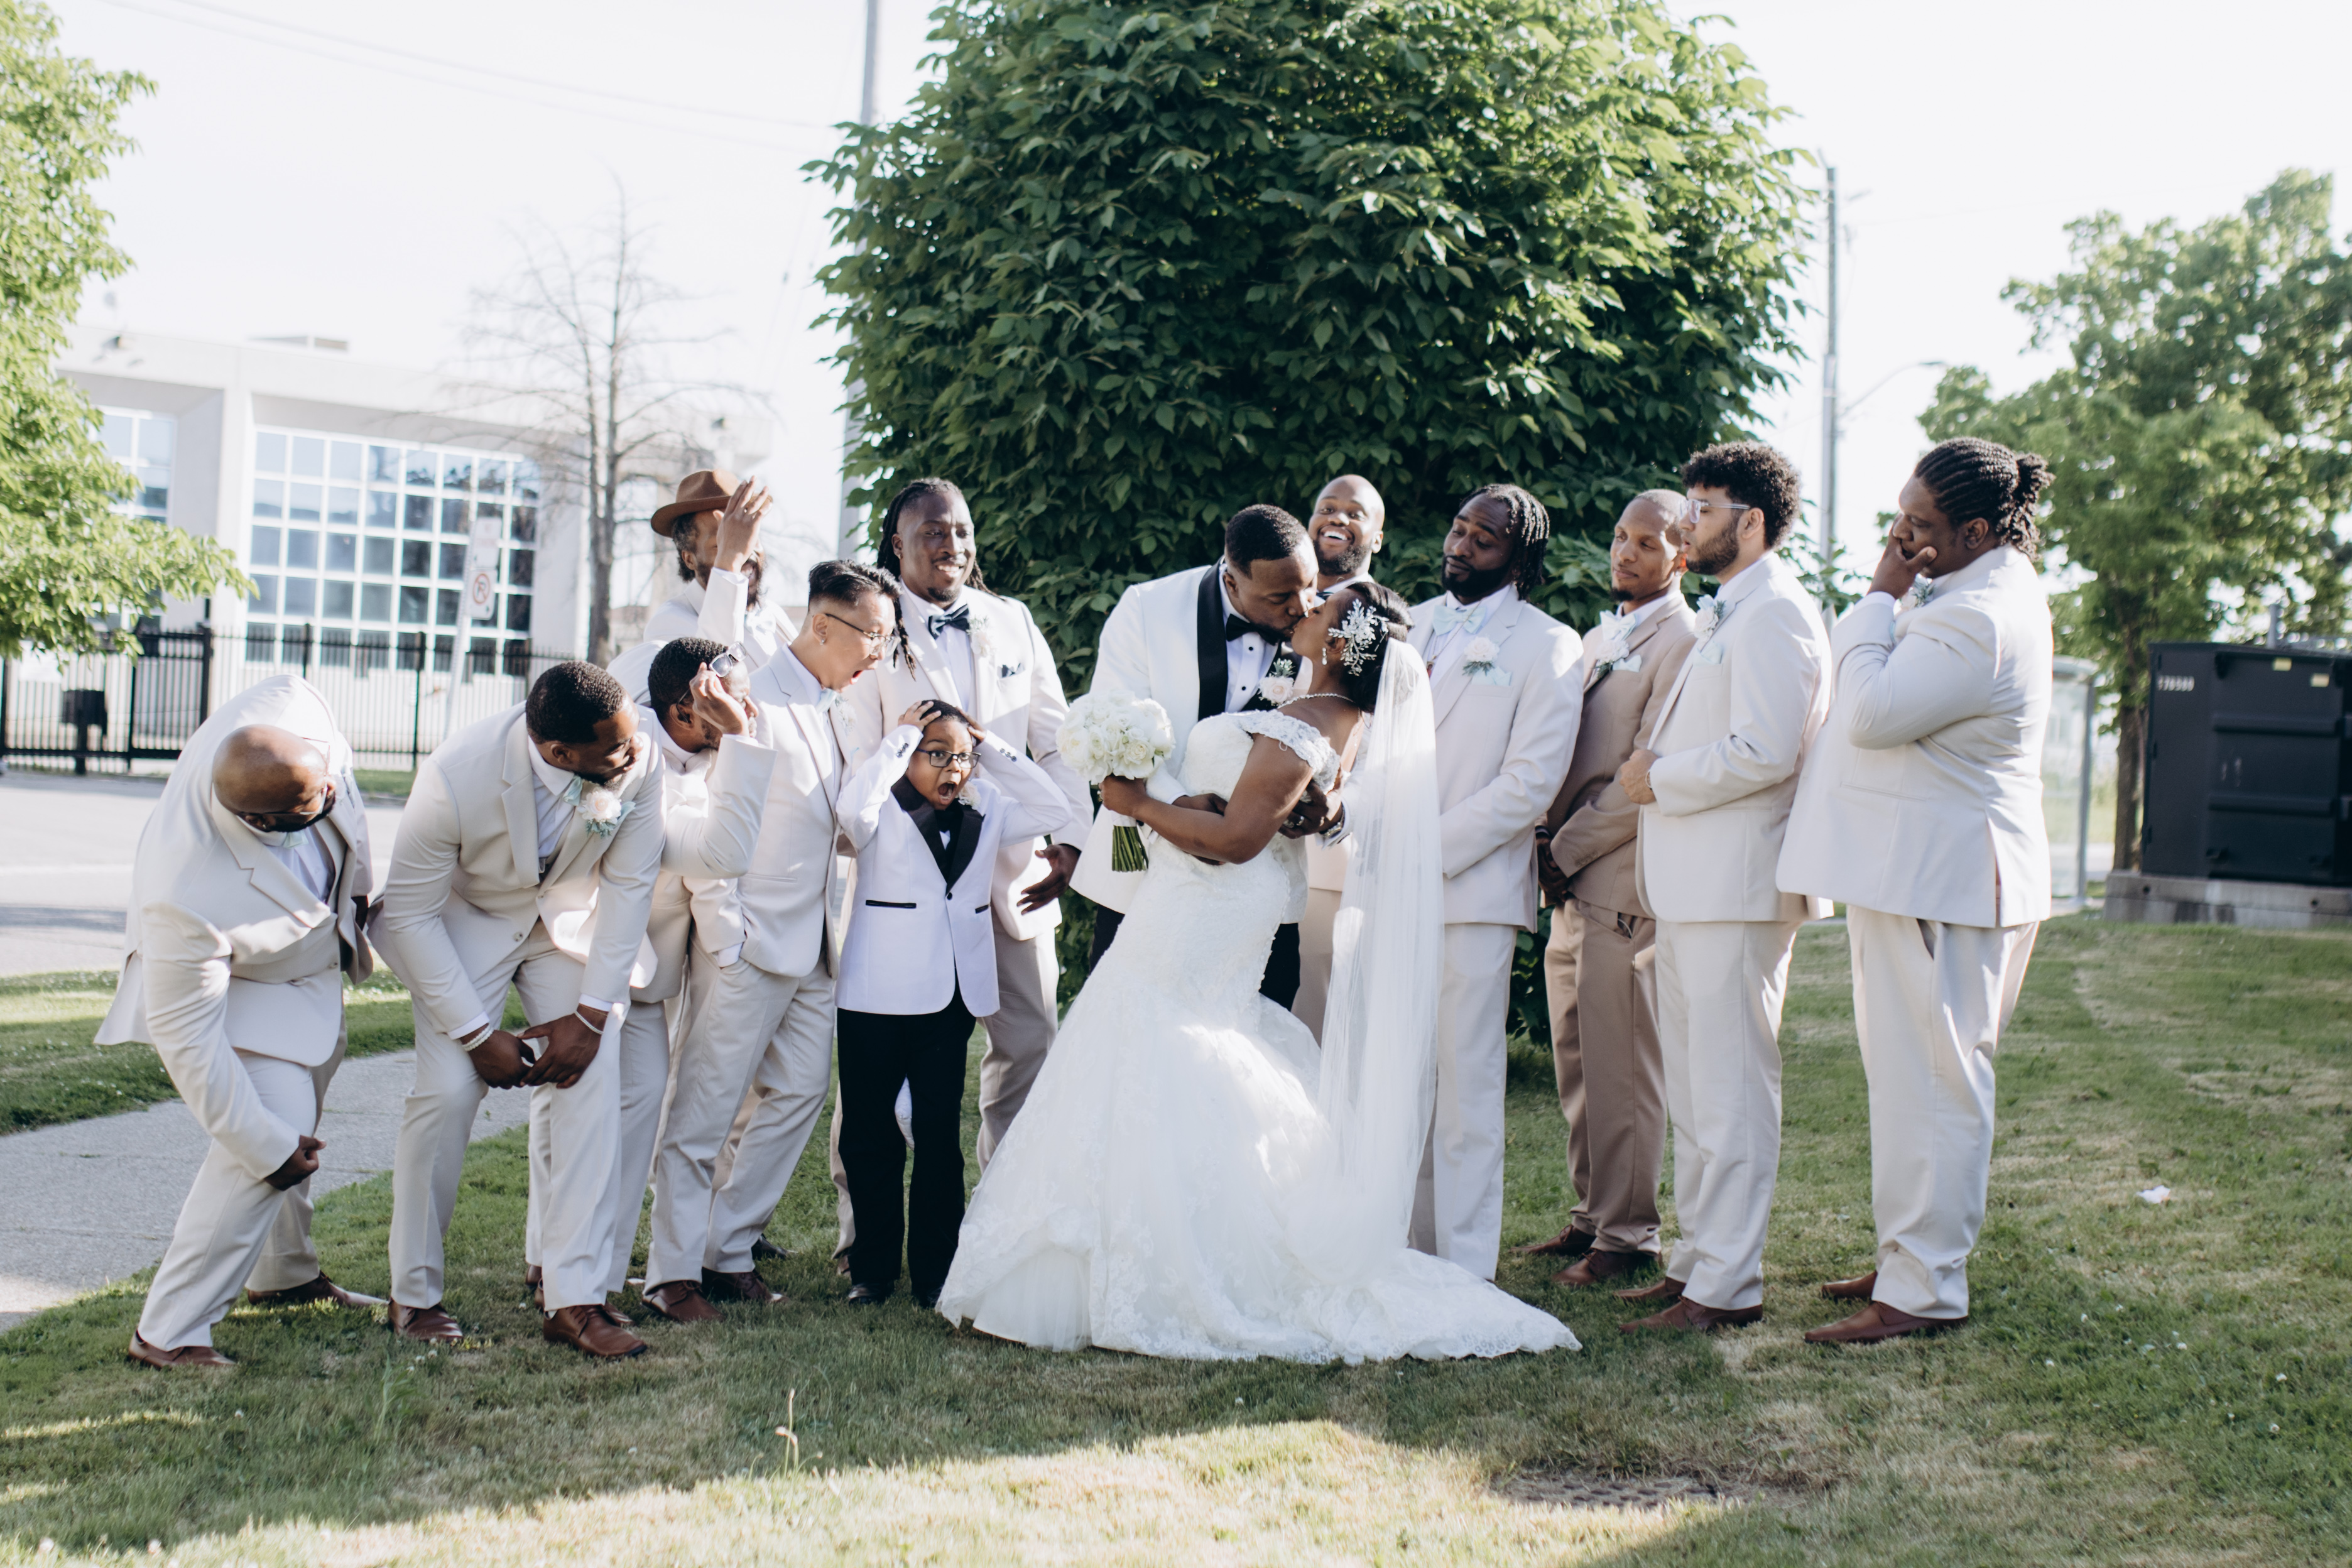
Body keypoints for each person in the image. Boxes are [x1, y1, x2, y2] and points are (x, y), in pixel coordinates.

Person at [937, 582, 1577, 1361]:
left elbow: (1238, 840)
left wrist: (1136, 805)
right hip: (1206, 892)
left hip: (1212, 899)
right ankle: (1137, 1247)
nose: (1307, 605)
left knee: (1158, 1031)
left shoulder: (1309, 722)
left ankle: (1171, 1261)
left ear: (1339, 643)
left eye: (1324, 606)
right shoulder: (1327, 712)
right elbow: (1257, 813)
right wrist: (1194, 802)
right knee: (1163, 1037)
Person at [1779, 438, 2055, 1346]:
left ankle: (1926, 1287)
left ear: (1976, 530)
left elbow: (1869, 712)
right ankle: (1907, 1256)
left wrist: (1877, 598)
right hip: (1925, 874)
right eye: (1900, 516)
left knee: (1936, 1087)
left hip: (1947, 880)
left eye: (1922, 524)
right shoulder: (1975, 590)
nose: (1903, 537)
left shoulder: (1979, 615)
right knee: (1908, 1083)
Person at [379, 662, 665, 1357]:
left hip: (564, 926)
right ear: (559, 753)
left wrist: (592, 1017)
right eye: (615, 749)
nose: (633, 753)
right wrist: (479, 1037)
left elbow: (629, 888)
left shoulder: (638, 758)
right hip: (465, 926)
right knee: (448, 1093)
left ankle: (574, 1299)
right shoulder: (456, 777)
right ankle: (413, 1295)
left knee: (593, 1080)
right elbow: (408, 914)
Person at [100, 675, 383, 1368]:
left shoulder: (295, 709)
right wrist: (265, 1145)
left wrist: (355, 896)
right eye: (311, 805)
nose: (332, 798)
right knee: (271, 1138)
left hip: (307, 967)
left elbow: (335, 793)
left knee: (301, 1113)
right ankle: (168, 1333)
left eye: (326, 787)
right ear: (261, 821)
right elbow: (190, 1045)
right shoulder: (185, 891)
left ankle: (284, 1275)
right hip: (239, 985)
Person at [640, 560, 896, 1324]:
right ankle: (671, 1275)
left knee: (799, 1096)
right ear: (823, 625)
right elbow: (703, 810)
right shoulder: (749, 691)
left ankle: (727, 1248)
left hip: (814, 940)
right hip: (745, 940)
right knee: (703, 1112)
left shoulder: (837, 706)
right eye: (874, 635)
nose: (880, 652)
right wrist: (725, 930)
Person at [1613, 443, 1831, 1335]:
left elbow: (1766, 752)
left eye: (1703, 510)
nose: (1687, 523)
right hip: (1693, 888)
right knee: (1699, 1094)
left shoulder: (1777, 613)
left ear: (1752, 523)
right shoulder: (1733, 611)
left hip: (1737, 889)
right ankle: (1697, 1262)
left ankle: (1730, 1285)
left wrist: (1658, 775)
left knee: (1732, 1091)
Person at [522, 638, 777, 1308]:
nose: (747, 711)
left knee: (632, 1112)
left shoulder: (713, 752)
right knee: (570, 1107)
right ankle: (553, 1262)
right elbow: (714, 852)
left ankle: (592, 1278)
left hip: (649, 965)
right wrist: (740, 737)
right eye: (732, 702)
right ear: (687, 709)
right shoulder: (631, 759)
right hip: (579, 951)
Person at [854, 477, 1092, 1165]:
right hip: (907, 880)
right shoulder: (873, 626)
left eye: (960, 530)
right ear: (897, 544)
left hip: (1016, 875)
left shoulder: (1010, 620)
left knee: (1031, 1043)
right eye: (931, 531)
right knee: (881, 1063)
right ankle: (860, 1219)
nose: (950, 544)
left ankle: (1003, 1207)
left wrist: (1070, 838)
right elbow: (862, 755)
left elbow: (1056, 740)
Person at [835, 700, 1074, 1307]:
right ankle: (872, 1270)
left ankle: (936, 1271)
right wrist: (899, 740)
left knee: (939, 1134)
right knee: (869, 1133)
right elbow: (849, 812)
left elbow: (1055, 808)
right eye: (937, 755)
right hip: (877, 993)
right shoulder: (879, 804)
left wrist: (990, 747)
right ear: (909, 754)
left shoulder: (987, 804)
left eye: (962, 758)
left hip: (952, 994)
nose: (953, 769)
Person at [1402, 484, 1583, 1282]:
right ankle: (1401, 1252)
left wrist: (1424, 851)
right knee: (1397, 1083)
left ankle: (1465, 1268)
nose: (1461, 545)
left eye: (1484, 538)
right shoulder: (1404, 624)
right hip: (1385, 886)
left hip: (1469, 892)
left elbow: (1530, 782)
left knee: (1467, 1090)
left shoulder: (1548, 645)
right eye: (1459, 528)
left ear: (1519, 557)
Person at [1518, 489, 1698, 1287]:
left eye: (1647, 543)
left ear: (1682, 556)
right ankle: (1592, 1215)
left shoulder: (1682, 642)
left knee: (1622, 1060)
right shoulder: (1602, 635)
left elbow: (1643, 778)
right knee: (1578, 1055)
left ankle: (1628, 1235)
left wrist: (1564, 848)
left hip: (1619, 871)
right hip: (1569, 876)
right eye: (1621, 537)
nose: (1625, 552)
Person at [1069, 504, 1332, 1007]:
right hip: (1149, 869)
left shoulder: (1325, 626)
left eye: (1310, 585)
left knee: (1257, 1029)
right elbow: (1115, 726)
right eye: (1280, 597)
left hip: (1265, 882)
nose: (1302, 606)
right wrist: (1177, 806)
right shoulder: (1147, 609)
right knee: (1127, 1020)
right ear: (1232, 581)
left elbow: (1352, 732)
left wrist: (1330, 803)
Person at [1292, 474, 1386, 1043]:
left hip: (1325, 863)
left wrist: (1340, 810)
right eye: (1327, 507)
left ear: (1378, 536)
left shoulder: (1384, 621)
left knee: (1312, 1025)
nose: (1337, 519)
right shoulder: (1279, 604)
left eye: (1355, 513)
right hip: (1242, 852)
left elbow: (1392, 752)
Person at [606, 470, 797, 703]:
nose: (746, 551)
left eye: (750, 536)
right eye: (723, 543)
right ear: (690, 559)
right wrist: (729, 564)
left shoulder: (773, 614)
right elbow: (713, 690)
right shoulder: (668, 623)